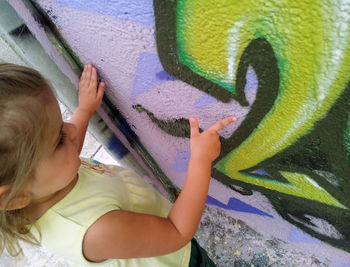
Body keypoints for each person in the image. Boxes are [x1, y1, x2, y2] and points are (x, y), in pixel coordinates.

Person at [0, 62, 236, 266]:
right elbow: (177, 231)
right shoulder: (94, 231)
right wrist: (200, 161)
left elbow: (69, 147)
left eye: (62, 122)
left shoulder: (39, 185)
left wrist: (84, 109)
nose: (72, 129)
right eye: (59, 139)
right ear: (15, 197)